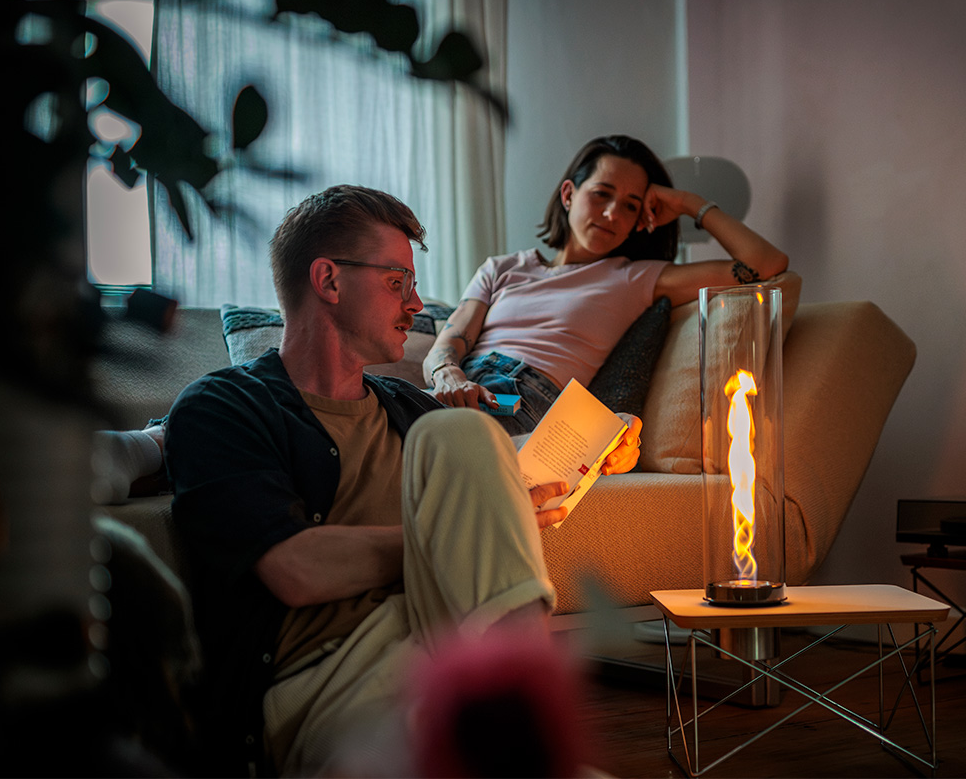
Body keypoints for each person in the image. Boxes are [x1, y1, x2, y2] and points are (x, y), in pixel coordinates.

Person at [163, 185, 641, 777]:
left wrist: (597, 442)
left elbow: (504, 471)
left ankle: (525, 718)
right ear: (329, 281)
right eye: (398, 281)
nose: (417, 304)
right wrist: (455, 531)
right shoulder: (224, 405)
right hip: (331, 682)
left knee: (465, 433)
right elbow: (295, 569)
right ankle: (526, 737)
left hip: (445, 644)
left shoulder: (409, 407)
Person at [424, 134, 789, 434]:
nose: (613, 213)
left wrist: (688, 203)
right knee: (378, 415)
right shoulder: (501, 268)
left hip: (523, 397)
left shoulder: (635, 277)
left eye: (630, 206)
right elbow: (450, 343)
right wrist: (448, 374)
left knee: (440, 446)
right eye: (602, 194)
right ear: (569, 195)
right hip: (459, 386)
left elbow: (766, 264)